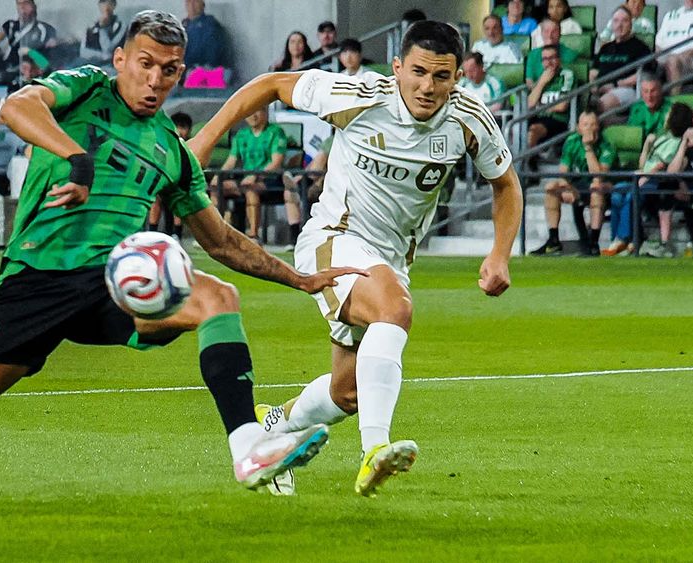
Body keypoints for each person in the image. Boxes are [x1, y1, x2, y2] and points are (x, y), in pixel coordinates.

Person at [0, 10, 353, 523]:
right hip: (35, 280)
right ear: (120, 59)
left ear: (179, 74)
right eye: (145, 63)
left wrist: (297, 277)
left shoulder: (173, 150)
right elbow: (17, 107)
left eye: (168, 70)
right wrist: (79, 158)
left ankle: (247, 447)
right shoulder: (87, 87)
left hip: (112, 284)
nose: (154, 79)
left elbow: (223, 243)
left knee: (217, 298)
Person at [189, 20, 522, 497]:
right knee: (396, 309)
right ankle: (374, 451)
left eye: (442, 76)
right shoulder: (358, 95)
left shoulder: (468, 120)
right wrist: (203, 141)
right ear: (397, 67)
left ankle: (272, 432)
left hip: (392, 259)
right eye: (419, 72)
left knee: (348, 392)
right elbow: (269, 85)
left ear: (457, 78)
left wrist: (499, 253)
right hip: (334, 238)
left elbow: (505, 183)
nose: (428, 87)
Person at [530, 111, 616, 256]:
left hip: (600, 186)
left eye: (593, 124)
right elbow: (563, 172)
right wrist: (567, 188)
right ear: (578, 128)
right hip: (576, 186)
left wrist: (588, 148)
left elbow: (599, 176)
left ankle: (593, 242)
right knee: (551, 188)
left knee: (596, 188)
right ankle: (553, 240)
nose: (590, 128)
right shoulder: (571, 141)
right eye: (586, 125)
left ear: (598, 127)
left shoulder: (607, 145)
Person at [209, 108, 288, 243]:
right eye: (249, 113)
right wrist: (218, 176)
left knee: (251, 189)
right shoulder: (242, 134)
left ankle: (253, 235)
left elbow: (276, 163)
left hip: (269, 180)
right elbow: (231, 161)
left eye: (257, 111)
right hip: (244, 179)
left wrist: (256, 175)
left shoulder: (276, 132)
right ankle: (216, 233)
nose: (253, 116)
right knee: (216, 188)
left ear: (266, 112)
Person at [633, 103, 693, 258]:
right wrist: (647, 145)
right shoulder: (663, 138)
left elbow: (664, 166)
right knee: (623, 195)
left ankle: (661, 243)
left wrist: (646, 176)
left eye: (669, 113)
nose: (666, 115)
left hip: (658, 181)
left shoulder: (677, 143)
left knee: (660, 194)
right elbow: (644, 163)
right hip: (646, 179)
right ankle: (638, 241)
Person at [0, 0, 58, 84]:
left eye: (26, 3)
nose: (22, 7)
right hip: (9, 67)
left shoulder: (44, 29)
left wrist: (30, 54)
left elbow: (48, 60)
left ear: (34, 6)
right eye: (19, 4)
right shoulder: (11, 26)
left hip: (31, 70)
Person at [591, 6, 651, 114]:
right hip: (600, 89)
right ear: (612, 24)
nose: (619, 25)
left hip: (626, 89)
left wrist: (616, 85)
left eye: (624, 21)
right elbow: (593, 72)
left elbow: (642, 73)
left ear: (631, 24)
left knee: (599, 105)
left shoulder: (640, 47)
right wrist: (595, 86)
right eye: (616, 21)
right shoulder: (605, 48)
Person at [667, 102, 693, 258]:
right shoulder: (687, 145)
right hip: (689, 193)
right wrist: (684, 143)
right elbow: (671, 172)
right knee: (668, 187)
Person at [148, 111, 191, 239]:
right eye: (177, 127)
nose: (180, 131)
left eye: (183, 127)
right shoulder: (160, 144)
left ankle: (176, 234)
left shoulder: (190, 146)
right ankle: (152, 233)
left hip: (181, 184)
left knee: (178, 195)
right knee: (155, 196)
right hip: (162, 181)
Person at [527, 45, 574, 150]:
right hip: (538, 117)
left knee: (533, 130)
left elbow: (562, 106)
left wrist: (541, 108)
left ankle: (527, 163)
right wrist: (541, 83)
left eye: (552, 58)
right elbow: (530, 104)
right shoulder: (542, 77)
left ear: (559, 60)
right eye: (545, 59)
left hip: (558, 119)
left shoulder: (567, 75)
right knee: (515, 129)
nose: (548, 63)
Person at [657, 0, 693, 95]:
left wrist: (680, 55)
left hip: (692, 58)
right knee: (646, 64)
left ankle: (674, 100)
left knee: (673, 61)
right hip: (666, 56)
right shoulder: (671, 15)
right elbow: (658, 43)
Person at [525, 19, 578, 90]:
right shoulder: (532, 55)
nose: (550, 35)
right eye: (546, 31)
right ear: (541, 33)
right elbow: (529, 82)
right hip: (538, 94)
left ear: (560, 33)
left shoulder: (570, 54)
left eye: (554, 31)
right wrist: (541, 84)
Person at [79, 0, 126, 66]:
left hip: (111, 65)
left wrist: (103, 29)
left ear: (114, 5)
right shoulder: (91, 26)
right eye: (103, 2)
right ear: (99, 5)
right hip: (91, 63)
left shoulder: (120, 26)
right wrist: (100, 55)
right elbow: (83, 51)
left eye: (109, 3)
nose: (106, 6)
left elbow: (107, 50)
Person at [182, 0, 225, 69]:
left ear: (203, 4)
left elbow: (212, 56)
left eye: (196, 1)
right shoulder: (184, 25)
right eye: (189, 1)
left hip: (201, 70)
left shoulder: (210, 25)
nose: (192, 5)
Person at [627, 74, 671, 139]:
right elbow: (632, 135)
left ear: (660, 91)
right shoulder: (637, 108)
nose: (649, 96)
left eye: (653, 91)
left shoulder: (671, 108)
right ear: (641, 92)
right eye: (645, 91)